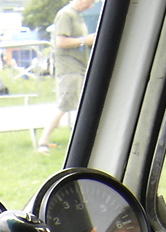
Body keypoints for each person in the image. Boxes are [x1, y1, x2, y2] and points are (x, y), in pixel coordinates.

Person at [38, 0, 97, 153]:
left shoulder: (77, 15)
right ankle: (42, 142)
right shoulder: (65, 15)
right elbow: (61, 42)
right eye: (89, 2)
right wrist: (84, 40)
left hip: (79, 66)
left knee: (75, 104)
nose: (90, 6)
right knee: (64, 104)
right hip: (69, 68)